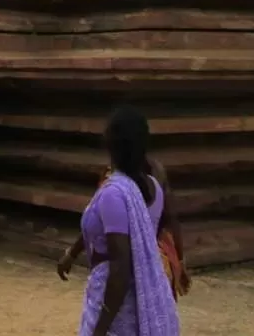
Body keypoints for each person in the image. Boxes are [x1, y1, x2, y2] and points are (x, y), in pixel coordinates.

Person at [64, 106, 177, 336]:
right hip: (143, 294)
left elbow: (120, 267)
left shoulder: (113, 193)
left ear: (110, 144)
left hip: (117, 306)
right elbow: (169, 223)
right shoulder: (153, 187)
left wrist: (100, 329)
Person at [60, 159, 191, 304]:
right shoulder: (156, 172)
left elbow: (96, 222)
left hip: (121, 263)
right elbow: (171, 217)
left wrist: (72, 254)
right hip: (155, 263)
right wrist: (180, 260)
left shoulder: (111, 180)